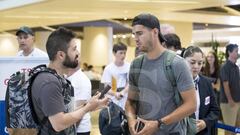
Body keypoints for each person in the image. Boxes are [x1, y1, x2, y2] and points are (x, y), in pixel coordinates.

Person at [126, 13, 196, 135]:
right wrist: (132, 123)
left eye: (140, 33)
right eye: (134, 34)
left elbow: (191, 105)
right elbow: (131, 101)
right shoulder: (136, 65)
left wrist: (159, 123)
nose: (135, 38)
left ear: (154, 32)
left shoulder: (176, 64)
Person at [31, 27, 109, 135]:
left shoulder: (55, 78)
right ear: (61, 55)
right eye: (74, 49)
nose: (77, 53)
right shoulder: (50, 82)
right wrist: (86, 109)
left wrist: (90, 106)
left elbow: (64, 113)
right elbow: (59, 123)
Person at [183, 46, 220, 135]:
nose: (196, 66)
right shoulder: (176, 84)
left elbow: (215, 110)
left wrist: (205, 122)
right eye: (192, 62)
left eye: (200, 63)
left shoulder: (207, 83)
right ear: (183, 62)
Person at [101, 42, 130, 109]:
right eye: (121, 53)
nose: (123, 55)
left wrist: (123, 92)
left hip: (125, 99)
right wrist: (115, 94)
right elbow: (105, 88)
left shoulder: (129, 67)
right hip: (112, 100)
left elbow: (130, 83)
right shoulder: (108, 68)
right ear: (114, 53)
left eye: (124, 53)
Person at [219, 44, 240, 135]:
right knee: (229, 128)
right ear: (229, 52)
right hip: (228, 102)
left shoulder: (236, 67)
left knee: (236, 127)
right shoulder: (225, 67)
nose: (237, 53)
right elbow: (225, 84)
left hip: (237, 100)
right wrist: (230, 100)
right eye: (236, 51)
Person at [68, 64, 92, 135]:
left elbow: (81, 110)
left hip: (79, 129)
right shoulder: (69, 77)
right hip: (71, 126)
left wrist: (70, 130)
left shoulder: (80, 79)